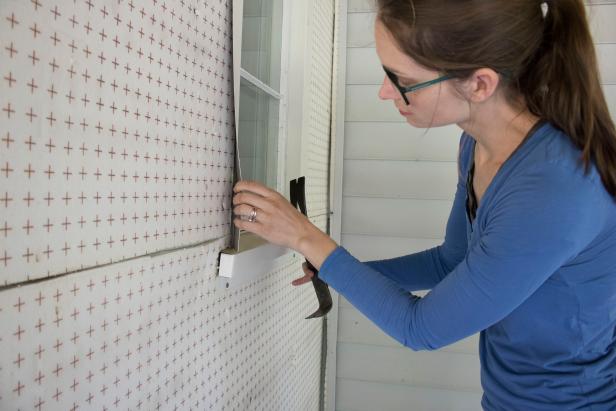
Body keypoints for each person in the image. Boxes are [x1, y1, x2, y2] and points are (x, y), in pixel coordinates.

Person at [232, 0, 616, 409]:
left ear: (479, 85)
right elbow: (451, 262)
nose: (384, 92)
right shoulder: (477, 144)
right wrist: (336, 268)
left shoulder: (554, 189)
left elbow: (420, 328)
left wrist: (307, 238)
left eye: (401, 79)